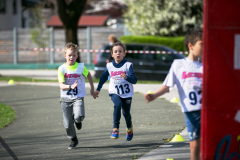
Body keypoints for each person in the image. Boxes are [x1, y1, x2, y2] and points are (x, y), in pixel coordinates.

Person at [144, 29, 203, 160]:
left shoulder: (207, 64)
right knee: (195, 147)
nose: (205, 47)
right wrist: (154, 95)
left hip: (208, 111)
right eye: (202, 44)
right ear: (191, 46)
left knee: (209, 145)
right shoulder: (179, 64)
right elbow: (167, 85)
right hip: (191, 112)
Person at [95, 41, 137, 141]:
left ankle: (129, 128)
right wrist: (98, 89)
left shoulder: (128, 65)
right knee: (117, 105)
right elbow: (103, 78)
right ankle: (115, 129)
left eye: (120, 51)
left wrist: (127, 77)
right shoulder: (109, 66)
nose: (118, 53)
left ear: (124, 53)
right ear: (112, 54)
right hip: (114, 91)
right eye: (115, 51)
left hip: (126, 93)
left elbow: (134, 80)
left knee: (126, 114)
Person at [58, 42, 96, 149]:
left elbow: (88, 75)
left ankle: (77, 120)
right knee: (67, 124)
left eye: (74, 55)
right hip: (65, 99)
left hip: (78, 97)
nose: (71, 57)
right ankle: (73, 139)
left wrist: (92, 89)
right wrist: (70, 87)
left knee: (78, 116)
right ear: (65, 55)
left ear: (77, 56)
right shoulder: (61, 69)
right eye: (69, 55)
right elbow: (61, 86)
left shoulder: (80, 67)